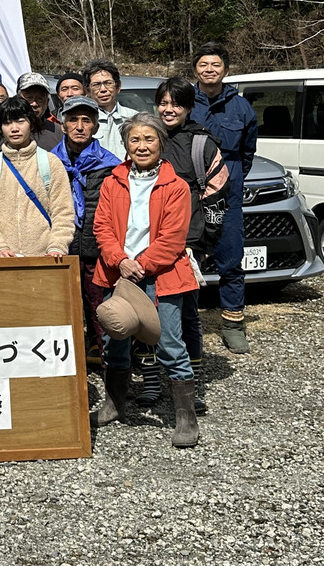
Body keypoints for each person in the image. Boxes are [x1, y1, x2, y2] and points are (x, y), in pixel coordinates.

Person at [91, 113, 200, 448]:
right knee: (115, 339)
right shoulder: (113, 181)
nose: (141, 146)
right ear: (126, 144)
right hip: (118, 272)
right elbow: (102, 227)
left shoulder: (176, 186)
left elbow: (173, 238)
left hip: (162, 275)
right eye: (134, 139)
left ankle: (186, 418)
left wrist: (141, 264)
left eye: (149, 139)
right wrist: (121, 261)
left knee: (169, 342)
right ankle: (114, 404)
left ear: (161, 143)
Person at [156, 76, 230, 413]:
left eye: (176, 104)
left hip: (188, 242)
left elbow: (218, 193)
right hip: (149, 240)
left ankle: (191, 383)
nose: (169, 110)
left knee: (187, 314)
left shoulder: (202, 144)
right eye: (163, 103)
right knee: (149, 310)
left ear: (188, 107)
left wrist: (206, 241)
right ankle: (154, 381)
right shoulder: (148, 136)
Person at [189, 42, 258, 354]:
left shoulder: (241, 107)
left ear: (226, 70)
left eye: (215, 64)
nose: (209, 70)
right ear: (195, 70)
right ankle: (187, 324)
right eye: (203, 64)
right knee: (186, 257)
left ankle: (232, 325)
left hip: (228, 196)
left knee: (231, 258)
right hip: (191, 194)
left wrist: (229, 178)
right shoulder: (185, 101)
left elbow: (247, 152)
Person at [52, 96, 121, 364]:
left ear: (95, 126)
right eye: (73, 120)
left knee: (99, 302)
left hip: (96, 245)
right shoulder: (49, 162)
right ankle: (65, 358)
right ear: (63, 124)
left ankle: (104, 355)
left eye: (86, 120)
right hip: (61, 245)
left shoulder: (111, 165)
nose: (79, 126)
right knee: (63, 304)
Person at [0, 96, 75, 258]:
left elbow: (63, 212)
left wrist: (57, 246)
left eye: (20, 121)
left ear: (31, 124)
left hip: (46, 259)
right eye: (7, 123)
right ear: (0, 128)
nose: (14, 128)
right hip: (3, 261)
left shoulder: (50, 163)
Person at [83, 59, 138, 160]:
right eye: (96, 85)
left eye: (108, 83)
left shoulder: (135, 118)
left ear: (118, 86)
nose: (103, 89)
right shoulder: (83, 121)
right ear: (87, 90)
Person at [2, 72, 63, 153]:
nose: (34, 104)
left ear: (47, 102)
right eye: (29, 98)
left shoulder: (58, 132)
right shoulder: (2, 132)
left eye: (40, 98)